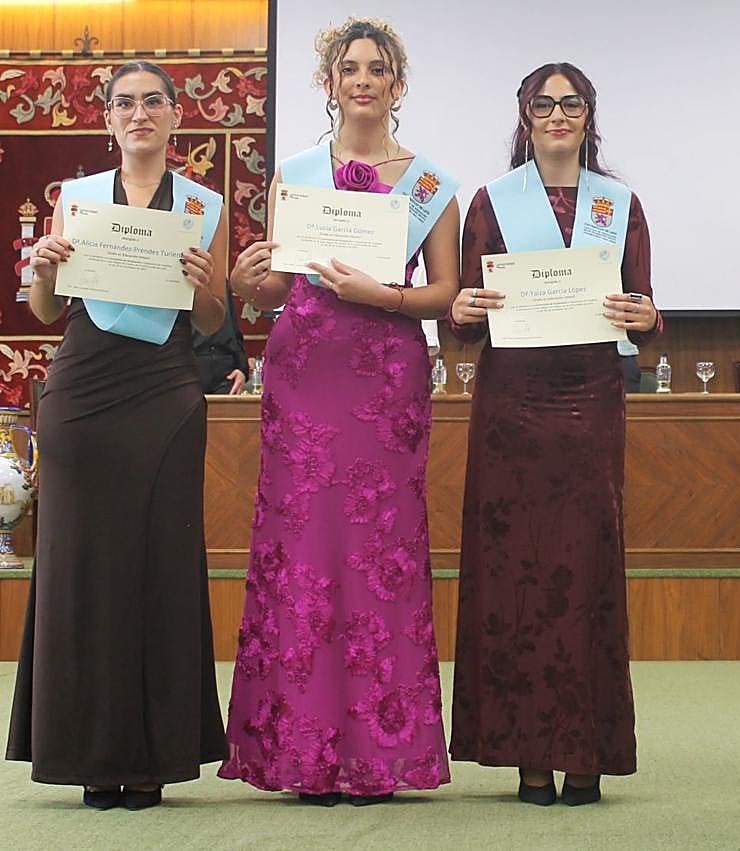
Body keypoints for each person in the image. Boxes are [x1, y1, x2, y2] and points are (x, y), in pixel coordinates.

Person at [218, 18, 460, 806]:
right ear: (328, 83)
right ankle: (302, 751)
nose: (363, 79)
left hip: (385, 377)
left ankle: (381, 753)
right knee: (306, 554)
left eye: (377, 68)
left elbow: (445, 295)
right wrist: (250, 277)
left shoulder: (429, 185)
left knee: (378, 554)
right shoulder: (294, 171)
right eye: (349, 68)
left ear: (398, 84)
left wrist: (378, 295)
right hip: (304, 373)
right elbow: (275, 287)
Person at [6, 60, 228, 810]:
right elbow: (43, 310)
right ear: (108, 120)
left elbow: (211, 322)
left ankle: (153, 759)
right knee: (81, 573)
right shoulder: (75, 199)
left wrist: (204, 285)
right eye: (125, 103)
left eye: (153, 102)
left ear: (174, 117)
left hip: (165, 395)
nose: (139, 113)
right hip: (82, 395)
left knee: (158, 571)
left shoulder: (204, 203)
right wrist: (42, 265)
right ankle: (89, 756)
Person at [447, 62, 661, 807]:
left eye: (572, 104)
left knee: (587, 571)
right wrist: (465, 307)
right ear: (526, 116)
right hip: (512, 405)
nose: (559, 114)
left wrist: (646, 316)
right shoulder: (490, 202)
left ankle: (586, 753)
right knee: (515, 574)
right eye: (545, 104)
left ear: (588, 115)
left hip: (591, 402)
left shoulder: (621, 203)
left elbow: (644, 307)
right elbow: (462, 315)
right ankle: (527, 755)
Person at [193, 282, 250, 394]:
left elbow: (234, 329)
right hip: (191, 365)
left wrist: (242, 369)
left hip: (227, 371)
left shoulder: (221, 281)